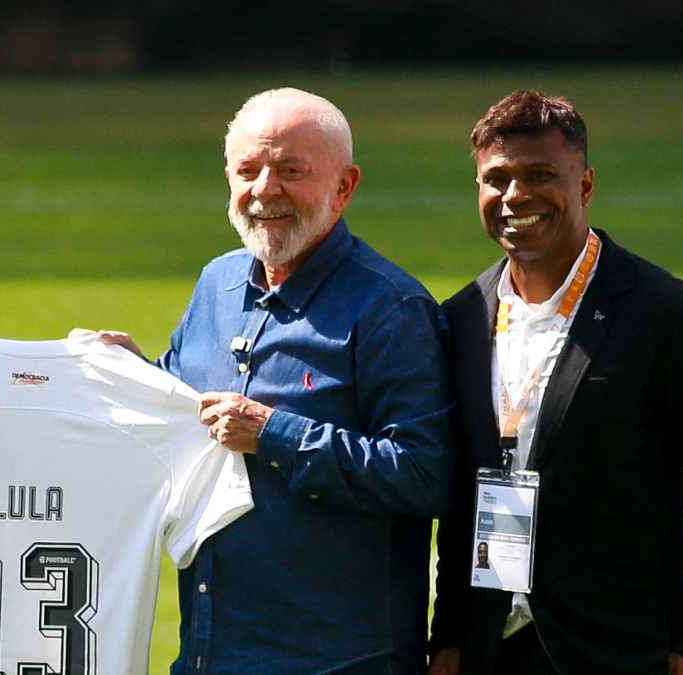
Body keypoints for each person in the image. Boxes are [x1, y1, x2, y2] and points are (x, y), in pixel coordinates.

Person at [78, 87, 455, 674]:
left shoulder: (390, 307)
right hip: (210, 652)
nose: (264, 190)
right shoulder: (218, 282)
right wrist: (130, 374)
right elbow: (185, 414)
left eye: (291, 171)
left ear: (344, 186)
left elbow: (425, 475)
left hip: (338, 661)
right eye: (248, 170)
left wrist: (275, 433)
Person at [428, 91, 683, 675]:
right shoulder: (458, 320)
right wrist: (450, 636)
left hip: (619, 651)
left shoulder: (664, 314)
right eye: (495, 179)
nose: (514, 196)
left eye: (538, 175)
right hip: (488, 649)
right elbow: (462, 500)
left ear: (584, 186)